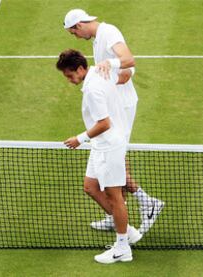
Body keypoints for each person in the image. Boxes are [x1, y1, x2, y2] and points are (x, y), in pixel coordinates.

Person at [63, 9, 164, 235]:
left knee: (115, 162)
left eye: (73, 33)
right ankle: (117, 215)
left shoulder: (109, 32)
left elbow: (128, 63)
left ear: (79, 25)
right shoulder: (98, 39)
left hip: (122, 107)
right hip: (114, 104)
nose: (76, 38)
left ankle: (147, 203)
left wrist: (108, 70)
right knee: (112, 164)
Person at [57, 49, 137, 263]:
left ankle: (122, 248)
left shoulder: (93, 89)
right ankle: (128, 231)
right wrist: (112, 64)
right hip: (101, 145)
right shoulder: (102, 72)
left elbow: (104, 123)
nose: (69, 80)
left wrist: (79, 138)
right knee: (90, 186)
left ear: (81, 68)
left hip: (109, 145)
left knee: (115, 196)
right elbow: (129, 70)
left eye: (69, 75)